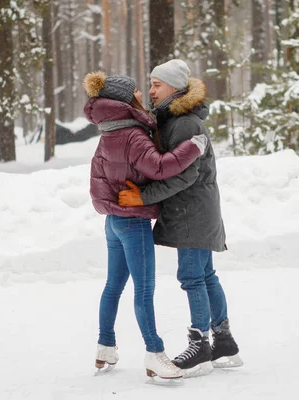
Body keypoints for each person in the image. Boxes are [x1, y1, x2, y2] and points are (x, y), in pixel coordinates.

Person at [118, 59, 242, 376]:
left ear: (174, 87)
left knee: (191, 277)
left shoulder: (183, 124)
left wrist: (142, 197)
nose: (151, 90)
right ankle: (224, 340)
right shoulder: (177, 121)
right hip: (198, 209)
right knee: (206, 275)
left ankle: (200, 344)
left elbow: (184, 176)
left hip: (192, 211)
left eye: (157, 84)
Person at [83, 71, 208, 380]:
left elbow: (98, 180)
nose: (142, 93)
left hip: (114, 223)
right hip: (133, 224)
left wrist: (113, 206)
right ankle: (154, 353)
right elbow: (162, 167)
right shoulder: (133, 135)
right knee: (144, 290)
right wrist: (194, 147)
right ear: (126, 99)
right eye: (137, 90)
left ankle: (105, 346)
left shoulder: (108, 132)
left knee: (114, 286)